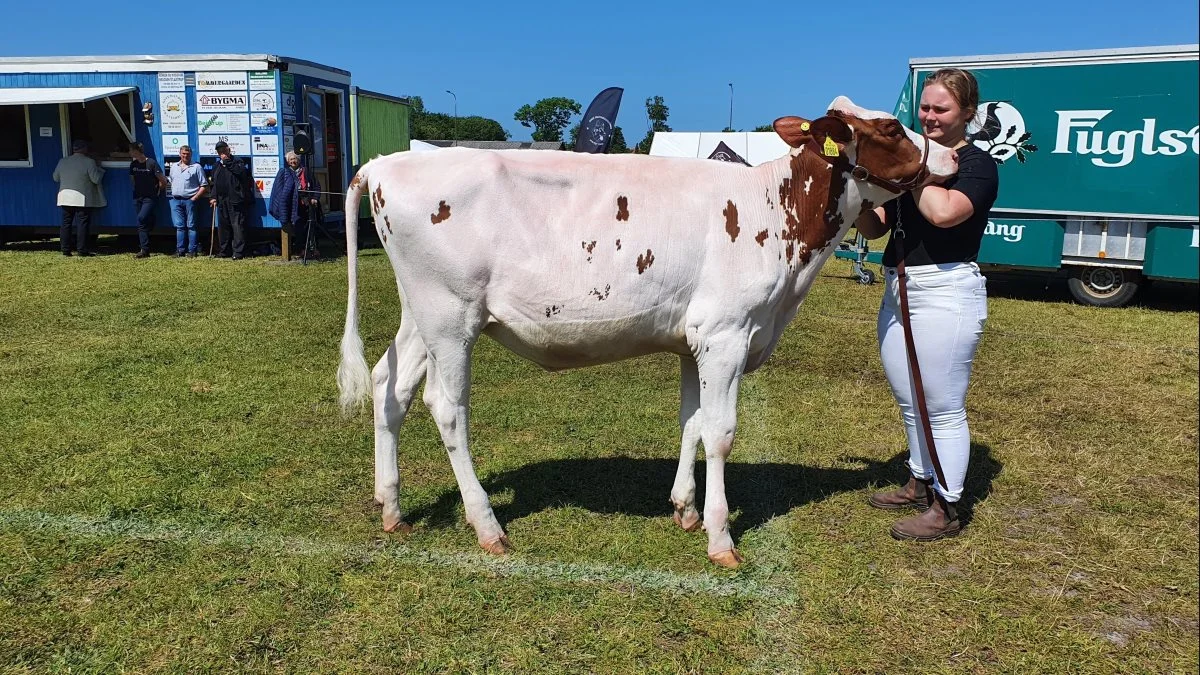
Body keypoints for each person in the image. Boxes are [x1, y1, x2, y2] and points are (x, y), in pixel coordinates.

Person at [855, 68, 999, 541]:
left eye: (942, 109)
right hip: (898, 289)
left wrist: (916, 171)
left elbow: (942, 213)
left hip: (944, 290)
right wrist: (855, 186)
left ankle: (947, 505)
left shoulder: (976, 165)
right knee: (910, 400)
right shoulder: (915, 161)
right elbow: (877, 227)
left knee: (942, 406)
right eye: (925, 108)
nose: (930, 117)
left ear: (967, 114)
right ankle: (919, 481)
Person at [52, 139, 106, 257]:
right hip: (82, 198)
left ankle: (65, 249)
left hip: (65, 197)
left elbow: (55, 178)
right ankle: (82, 250)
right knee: (82, 224)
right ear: (85, 149)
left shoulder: (63, 161)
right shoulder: (89, 162)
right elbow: (96, 179)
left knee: (66, 223)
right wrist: (100, 169)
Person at [268, 151, 322, 259]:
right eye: (291, 159)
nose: (293, 161)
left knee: (312, 228)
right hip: (294, 207)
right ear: (288, 161)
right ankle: (301, 249)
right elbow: (279, 192)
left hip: (307, 205)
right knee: (299, 229)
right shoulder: (285, 173)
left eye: (295, 159)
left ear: (299, 159)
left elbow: (316, 187)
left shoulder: (306, 172)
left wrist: (315, 198)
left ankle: (313, 248)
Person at [208, 140, 252, 259]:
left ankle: (238, 253)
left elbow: (240, 173)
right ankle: (224, 251)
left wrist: (227, 162)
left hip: (235, 200)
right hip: (221, 200)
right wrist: (213, 197)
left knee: (237, 226)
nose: (222, 153)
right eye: (220, 151)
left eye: (224, 150)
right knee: (223, 227)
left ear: (229, 150)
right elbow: (214, 183)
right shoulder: (216, 166)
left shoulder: (237, 161)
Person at [129, 142, 168, 258]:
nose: (129, 153)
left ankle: (151, 221)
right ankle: (144, 250)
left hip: (149, 198)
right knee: (141, 222)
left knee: (142, 218)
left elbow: (163, 181)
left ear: (136, 151)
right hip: (137, 197)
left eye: (130, 150)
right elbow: (132, 180)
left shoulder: (151, 163)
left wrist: (157, 190)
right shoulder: (133, 164)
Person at [167, 145, 208, 257]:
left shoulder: (196, 167)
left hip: (190, 200)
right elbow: (170, 180)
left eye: (187, 154)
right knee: (179, 227)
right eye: (183, 153)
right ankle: (180, 251)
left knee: (192, 226)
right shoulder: (174, 166)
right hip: (176, 201)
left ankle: (192, 251)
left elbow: (204, 185)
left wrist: (194, 198)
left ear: (191, 154)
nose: (185, 156)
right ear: (180, 154)